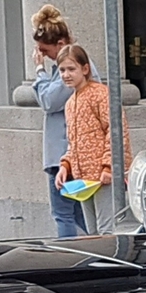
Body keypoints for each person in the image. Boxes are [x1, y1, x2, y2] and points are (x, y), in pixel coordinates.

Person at [28, 5, 81, 237]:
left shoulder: (70, 70)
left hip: (64, 153)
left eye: (44, 50)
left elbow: (49, 101)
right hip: (65, 152)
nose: (42, 55)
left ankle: (71, 256)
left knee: (63, 214)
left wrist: (39, 71)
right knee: (79, 214)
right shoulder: (66, 68)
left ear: (60, 45)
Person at [54, 44, 113, 235]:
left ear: (85, 69)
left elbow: (115, 131)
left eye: (71, 69)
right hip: (84, 177)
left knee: (106, 230)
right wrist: (65, 166)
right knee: (92, 232)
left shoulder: (101, 94)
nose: (66, 74)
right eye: (62, 70)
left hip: (103, 176)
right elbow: (74, 142)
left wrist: (108, 166)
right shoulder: (70, 103)